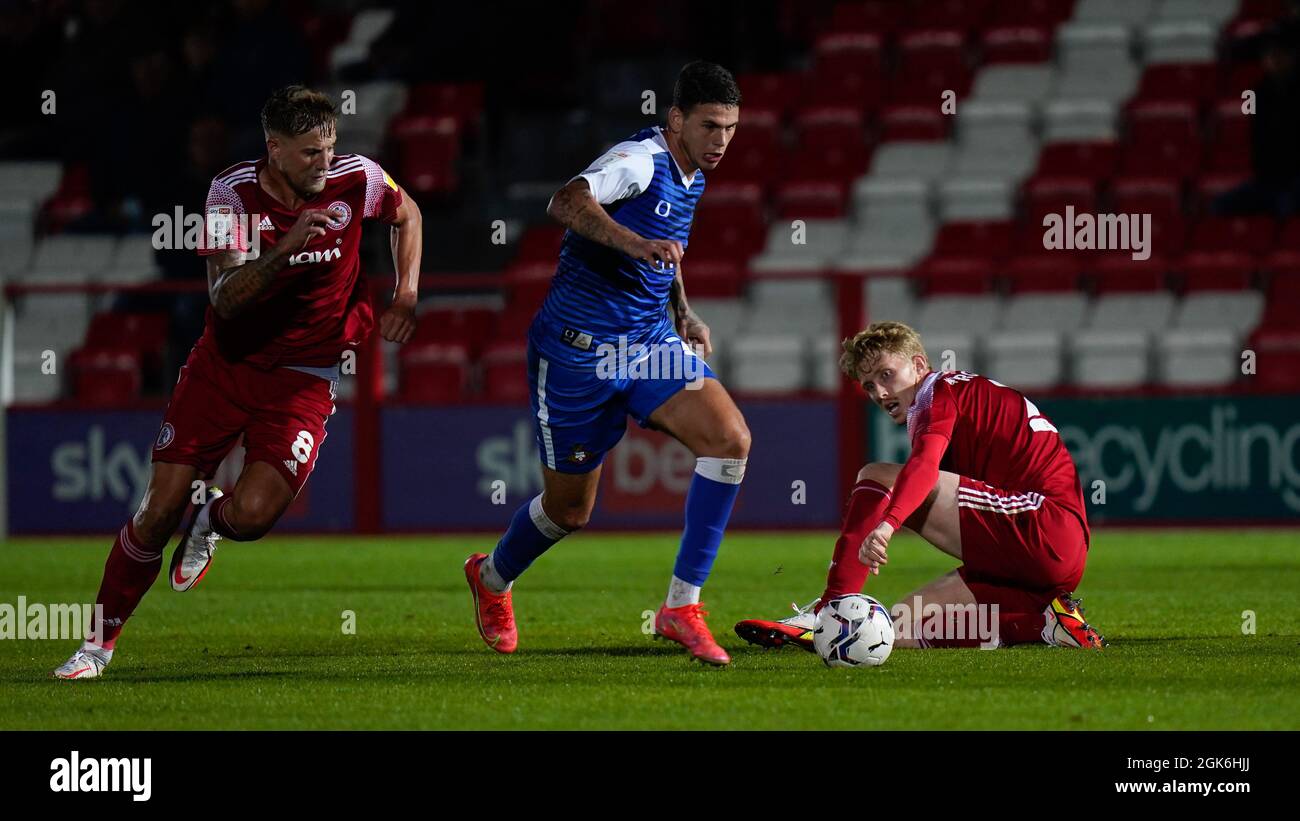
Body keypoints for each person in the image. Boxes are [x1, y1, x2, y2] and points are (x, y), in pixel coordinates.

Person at [54, 85, 422, 679]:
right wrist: (286, 248)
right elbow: (224, 299)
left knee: (252, 515)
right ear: (274, 149)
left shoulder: (358, 178)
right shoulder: (231, 195)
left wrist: (406, 291)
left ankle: (210, 524)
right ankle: (97, 646)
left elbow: (408, 212)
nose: (324, 164)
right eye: (309, 153)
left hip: (306, 376)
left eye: (329, 148)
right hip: (225, 368)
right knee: (156, 511)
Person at [464, 61, 749, 665]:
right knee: (571, 510)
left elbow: (665, 253)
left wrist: (686, 314)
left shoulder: (692, 173)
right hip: (575, 355)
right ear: (676, 120)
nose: (721, 139)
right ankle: (490, 578)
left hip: (646, 345)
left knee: (729, 440)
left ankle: (680, 607)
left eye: (730, 127)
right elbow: (566, 201)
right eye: (709, 125)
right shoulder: (638, 160)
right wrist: (633, 241)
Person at [735, 321, 1105, 652]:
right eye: (868, 385)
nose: (879, 393)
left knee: (876, 476)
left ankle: (830, 608)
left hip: (1041, 523)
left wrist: (888, 522)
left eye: (886, 375)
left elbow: (924, 467)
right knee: (898, 624)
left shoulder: (935, 391)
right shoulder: (960, 393)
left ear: (918, 365)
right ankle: (1047, 624)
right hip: (1046, 552)